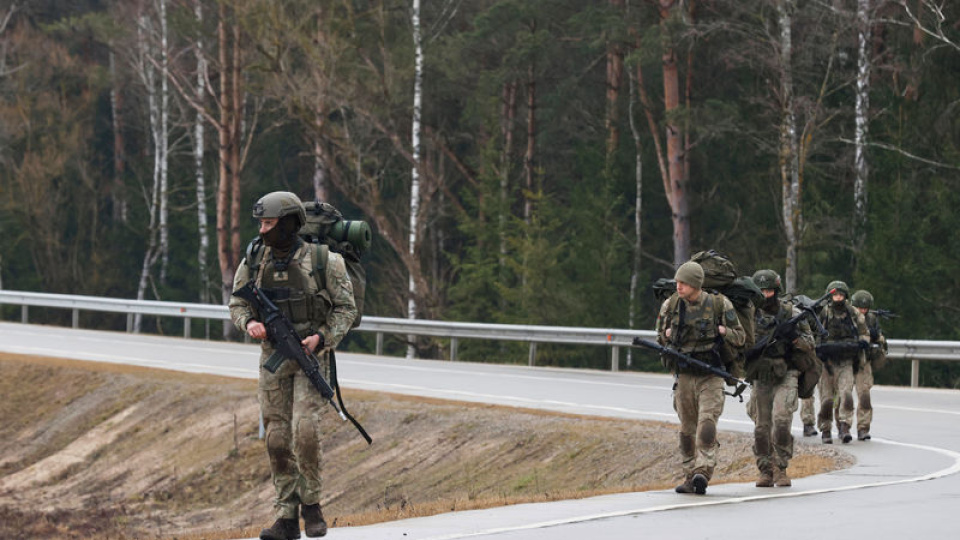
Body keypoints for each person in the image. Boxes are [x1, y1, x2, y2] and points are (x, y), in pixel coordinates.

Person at [229, 191, 357, 540]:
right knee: (276, 437)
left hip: (311, 356)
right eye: (260, 223)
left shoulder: (324, 261)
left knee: (304, 430)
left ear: (287, 224)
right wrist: (249, 324)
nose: (262, 229)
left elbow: (347, 309)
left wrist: (321, 337)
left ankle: (312, 506)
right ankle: (286, 517)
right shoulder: (255, 259)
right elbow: (237, 302)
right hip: (273, 359)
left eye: (268, 223)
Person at [656, 261, 746, 495]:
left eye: (683, 283)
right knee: (687, 430)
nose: (678, 287)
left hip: (711, 375)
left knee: (706, 424)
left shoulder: (719, 304)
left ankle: (703, 472)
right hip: (685, 374)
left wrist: (723, 331)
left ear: (695, 284)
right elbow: (659, 337)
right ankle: (689, 475)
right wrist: (666, 336)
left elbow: (741, 337)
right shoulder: (671, 305)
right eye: (677, 282)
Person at [745, 270, 816, 487]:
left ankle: (781, 467)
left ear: (777, 291)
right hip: (760, 375)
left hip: (787, 372)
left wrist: (793, 337)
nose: (766, 295)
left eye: (770, 291)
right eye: (762, 291)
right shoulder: (749, 315)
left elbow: (810, 343)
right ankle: (765, 470)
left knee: (782, 420)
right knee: (761, 427)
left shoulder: (791, 313)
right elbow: (740, 342)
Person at [815, 280, 869, 444]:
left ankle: (845, 426)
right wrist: (819, 350)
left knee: (846, 395)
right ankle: (825, 429)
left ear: (845, 296)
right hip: (826, 363)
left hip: (846, 361)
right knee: (827, 399)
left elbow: (864, 332)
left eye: (840, 295)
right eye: (835, 295)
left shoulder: (853, 313)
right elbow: (813, 334)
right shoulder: (823, 313)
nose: (838, 298)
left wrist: (862, 342)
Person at [850, 290, 888, 441]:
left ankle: (863, 428)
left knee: (864, 395)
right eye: (860, 308)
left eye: (865, 308)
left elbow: (880, 338)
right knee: (842, 397)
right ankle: (843, 425)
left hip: (863, 361)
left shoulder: (871, 318)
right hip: (844, 359)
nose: (863, 311)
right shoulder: (845, 316)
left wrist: (875, 336)